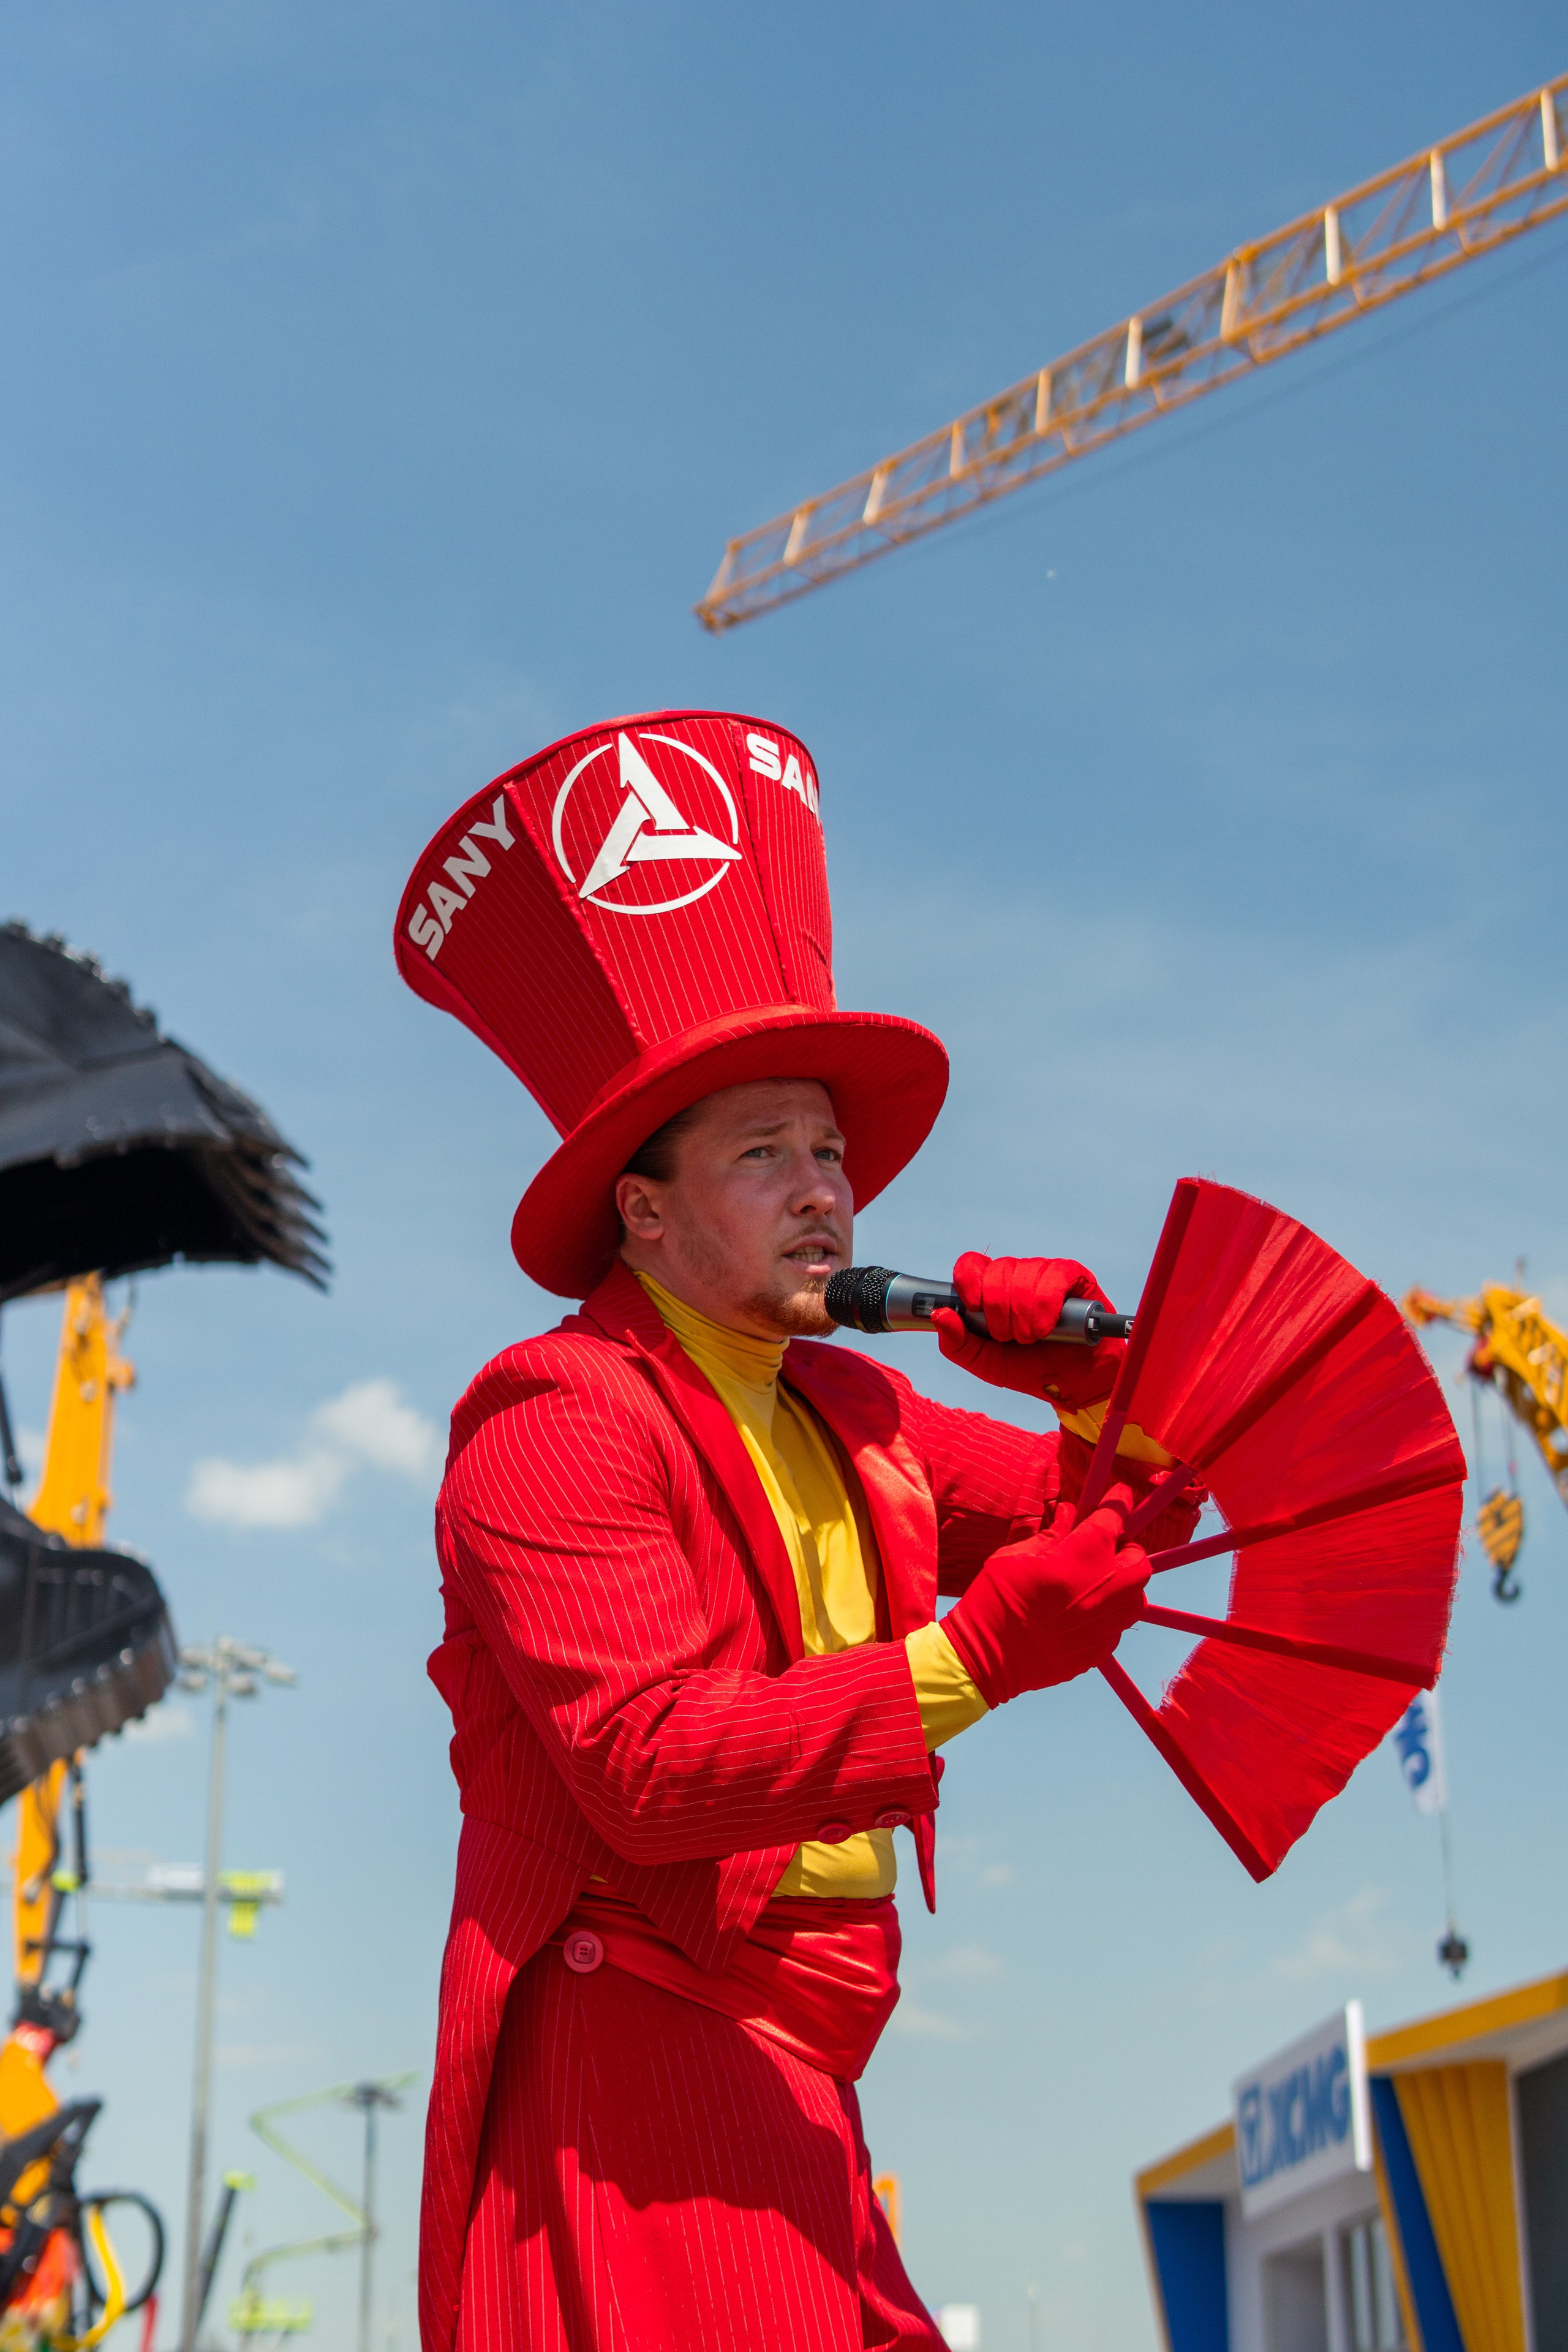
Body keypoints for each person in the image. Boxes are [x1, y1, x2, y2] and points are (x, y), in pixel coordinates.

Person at [395, 710, 1200, 2352]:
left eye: (830, 1149)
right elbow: (646, 1766)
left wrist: (1091, 1385)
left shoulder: (854, 1409)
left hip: (805, 2069)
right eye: (765, 1152)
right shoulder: (553, 1420)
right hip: (644, 2057)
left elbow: (1137, 1514)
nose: (826, 1188)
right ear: (644, 1205)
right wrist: (970, 1661)